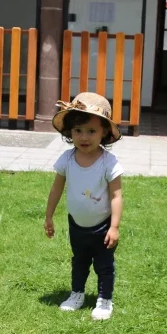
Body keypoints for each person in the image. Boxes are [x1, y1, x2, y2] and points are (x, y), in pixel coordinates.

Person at [45, 93, 124, 321]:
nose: (84, 137)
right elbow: (56, 189)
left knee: (104, 265)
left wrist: (114, 227)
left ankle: (104, 300)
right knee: (79, 262)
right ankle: (77, 294)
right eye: (78, 130)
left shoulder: (109, 163)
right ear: (70, 131)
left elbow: (116, 195)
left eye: (91, 131)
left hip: (103, 226)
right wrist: (49, 216)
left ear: (104, 132)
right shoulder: (67, 159)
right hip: (77, 225)